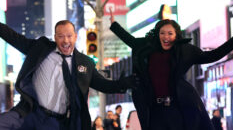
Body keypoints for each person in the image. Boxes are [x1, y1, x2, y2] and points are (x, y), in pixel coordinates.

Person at [0, 20, 136, 130]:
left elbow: (103, 85)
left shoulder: (85, 63)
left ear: (75, 36)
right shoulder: (40, 48)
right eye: (60, 36)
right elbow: (12, 37)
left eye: (69, 36)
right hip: (30, 112)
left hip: (56, 122)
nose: (65, 41)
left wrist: (123, 83)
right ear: (55, 37)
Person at [109, 10, 233, 130]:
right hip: (154, 110)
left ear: (176, 35)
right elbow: (129, 40)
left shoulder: (184, 51)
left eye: (170, 33)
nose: (166, 37)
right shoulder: (147, 48)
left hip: (178, 108)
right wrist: (114, 24)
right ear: (157, 34)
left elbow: (212, 55)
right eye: (162, 33)